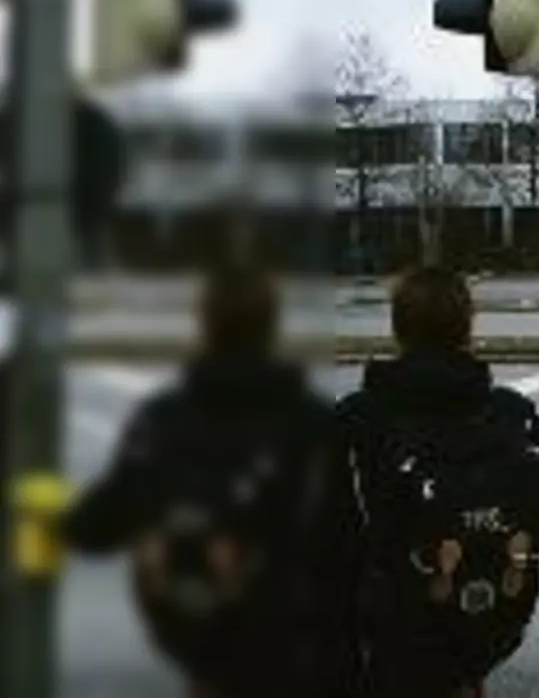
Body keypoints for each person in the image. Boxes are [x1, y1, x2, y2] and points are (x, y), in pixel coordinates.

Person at [336, 265, 539, 698]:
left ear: (398, 329)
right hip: (483, 634)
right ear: (468, 328)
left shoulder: (358, 420)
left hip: (389, 647)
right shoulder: (512, 417)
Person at [62, 265, 358, 698]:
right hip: (292, 646)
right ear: (271, 326)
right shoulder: (311, 421)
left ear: (204, 324)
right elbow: (345, 544)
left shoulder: (163, 420)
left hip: (204, 643)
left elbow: (97, 524)